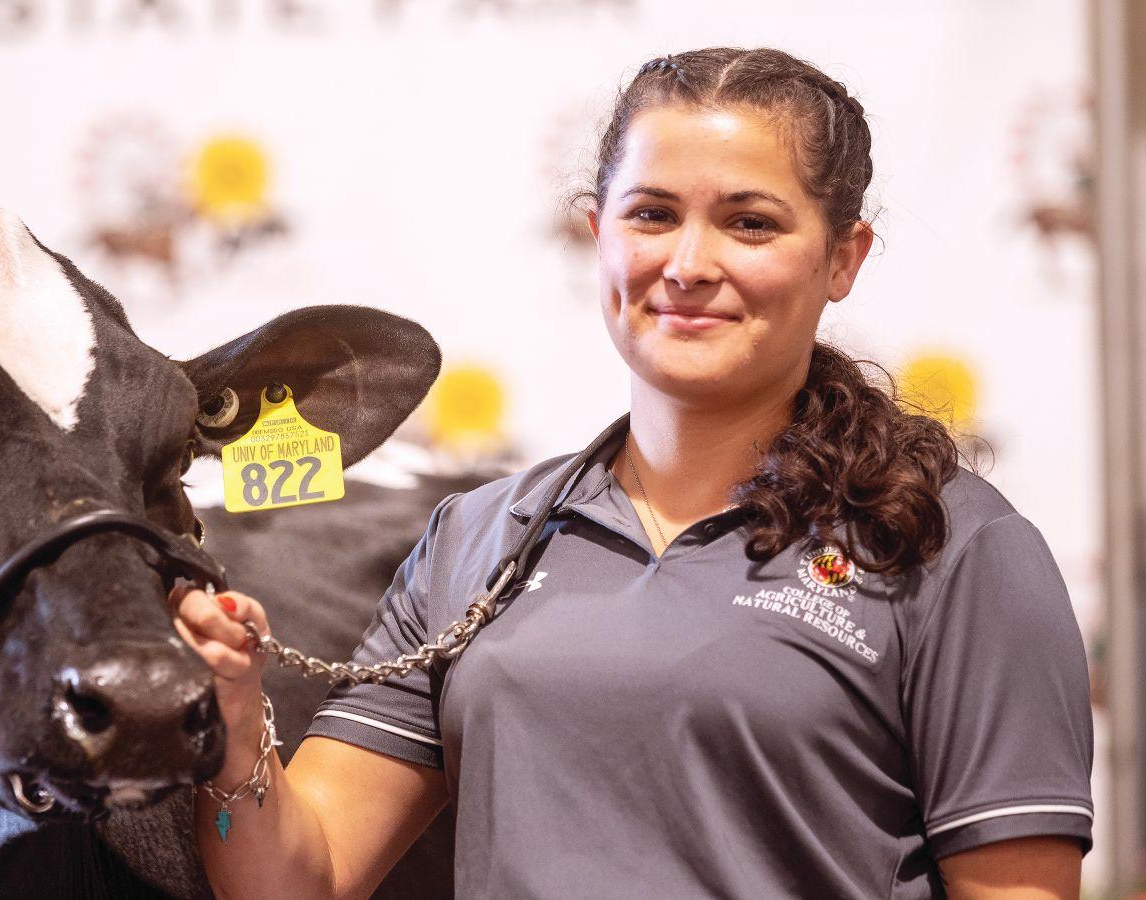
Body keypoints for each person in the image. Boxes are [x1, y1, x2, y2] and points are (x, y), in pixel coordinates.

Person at [173, 46, 1093, 899]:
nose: (689, 265)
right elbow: (297, 881)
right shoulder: (475, 541)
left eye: (750, 222)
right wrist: (236, 726)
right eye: (652, 214)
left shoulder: (954, 546)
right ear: (596, 235)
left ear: (843, 257)